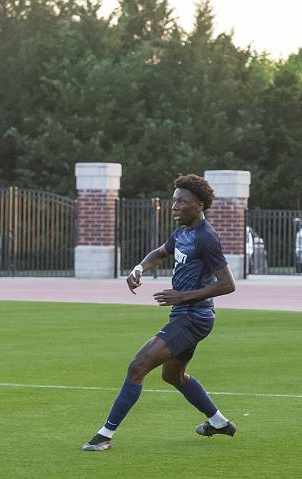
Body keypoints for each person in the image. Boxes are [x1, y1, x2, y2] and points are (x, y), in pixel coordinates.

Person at [83, 174, 236, 452]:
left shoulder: (206, 238)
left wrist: (183, 296)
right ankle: (219, 422)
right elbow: (160, 253)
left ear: (199, 205)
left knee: (138, 366)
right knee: (172, 376)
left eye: (182, 201)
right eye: (173, 200)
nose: (174, 206)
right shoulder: (182, 232)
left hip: (195, 317)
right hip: (185, 315)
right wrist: (139, 268)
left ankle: (104, 435)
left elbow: (228, 284)